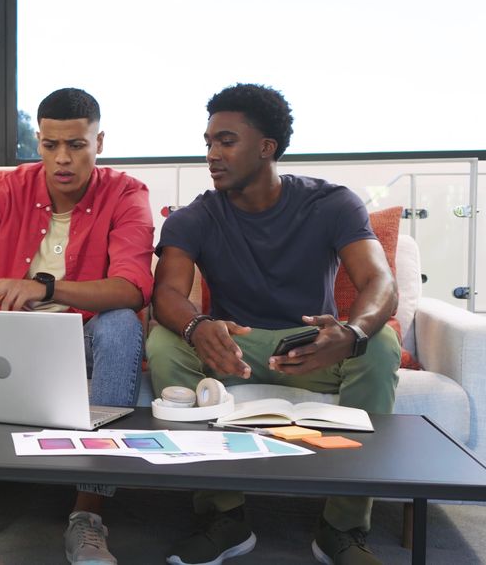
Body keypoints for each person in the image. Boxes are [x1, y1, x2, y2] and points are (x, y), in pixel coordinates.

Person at [147, 83, 401, 565]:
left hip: (310, 349)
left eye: (226, 141)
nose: (211, 154)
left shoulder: (331, 203)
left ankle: (342, 528)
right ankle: (223, 516)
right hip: (232, 348)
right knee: (164, 343)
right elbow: (167, 295)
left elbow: (379, 281)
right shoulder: (194, 216)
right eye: (208, 143)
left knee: (381, 342)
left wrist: (350, 334)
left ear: (267, 148)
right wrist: (198, 325)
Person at [0, 88, 155, 564]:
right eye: (50, 145)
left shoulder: (126, 192)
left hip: (79, 337)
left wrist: (47, 287)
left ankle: (88, 510)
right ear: (38, 141)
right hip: (9, 332)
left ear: (98, 143)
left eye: (76, 145)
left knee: (122, 325)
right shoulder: (4, 187)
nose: (62, 158)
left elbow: (133, 288)